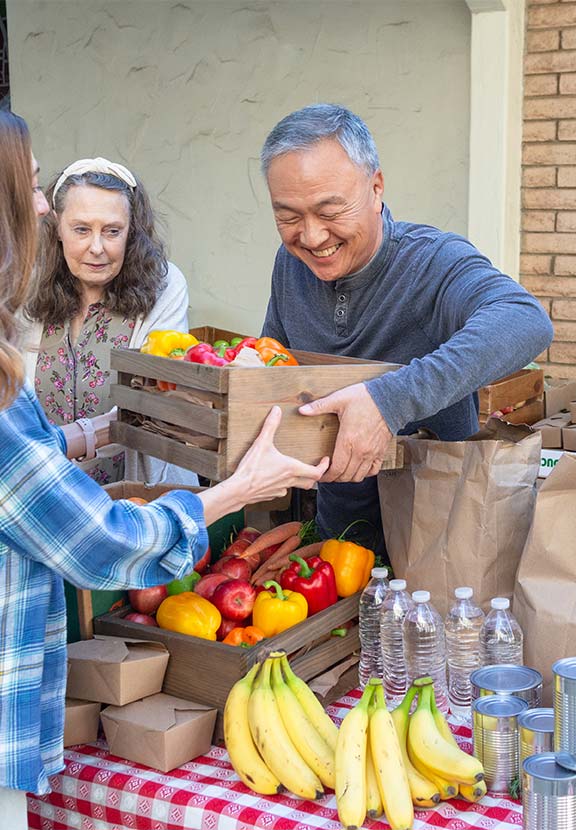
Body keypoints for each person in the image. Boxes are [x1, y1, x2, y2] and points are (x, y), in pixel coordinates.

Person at [0, 111, 328, 820]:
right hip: (88, 528)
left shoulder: (154, 289)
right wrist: (241, 490)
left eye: (110, 230)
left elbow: (28, 457)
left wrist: (79, 441)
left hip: (114, 502)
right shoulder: (24, 308)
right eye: (33, 193)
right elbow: (97, 536)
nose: (51, 213)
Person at [259, 104, 554, 551]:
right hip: (339, 542)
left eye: (330, 211)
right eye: (289, 217)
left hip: (440, 544)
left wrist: (387, 401)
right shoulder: (290, 264)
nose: (313, 236)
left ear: (376, 187)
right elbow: (274, 370)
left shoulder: (431, 261)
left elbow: (525, 319)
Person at [20, 156, 195, 485]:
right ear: (57, 226)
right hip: (41, 490)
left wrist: (73, 440)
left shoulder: (165, 285)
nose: (96, 248)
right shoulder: (29, 282)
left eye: (112, 231)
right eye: (81, 229)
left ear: (132, 232)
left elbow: (155, 401)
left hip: (135, 496)